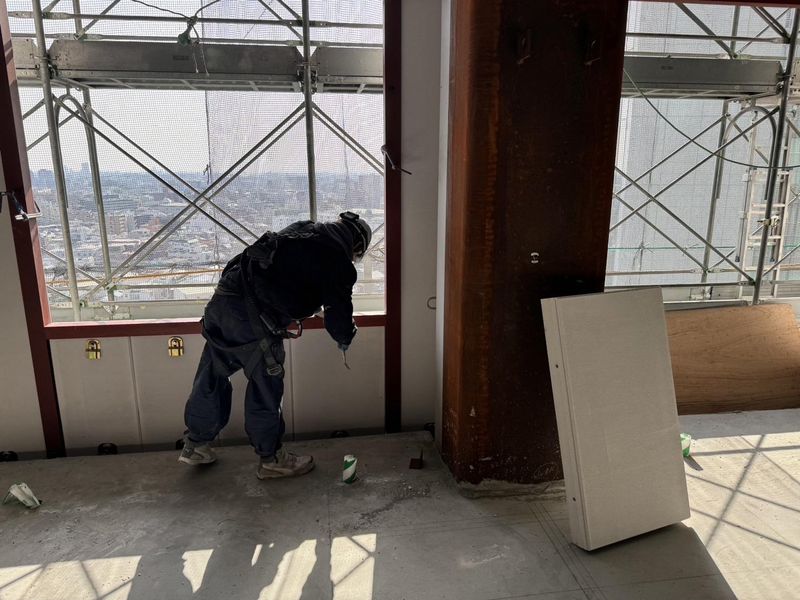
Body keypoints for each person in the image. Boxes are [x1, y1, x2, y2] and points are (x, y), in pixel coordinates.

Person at [178, 211, 372, 479]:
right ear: (356, 244)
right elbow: (338, 320)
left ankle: (195, 445)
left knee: (210, 378)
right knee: (265, 391)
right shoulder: (339, 263)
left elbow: (275, 268)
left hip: (223, 303)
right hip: (256, 322)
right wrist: (346, 337)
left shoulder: (302, 229)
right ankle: (271, 460)